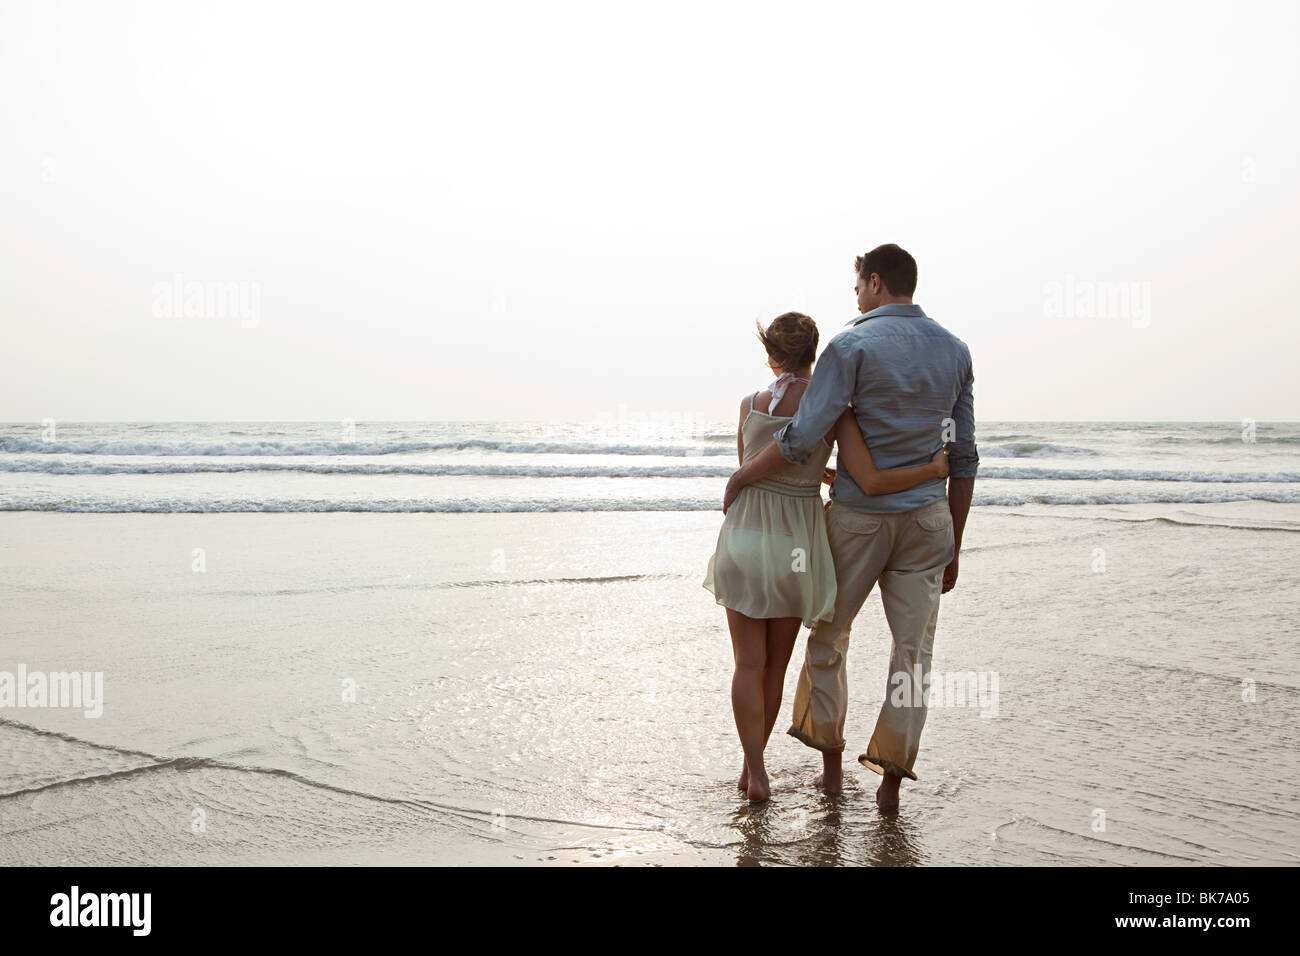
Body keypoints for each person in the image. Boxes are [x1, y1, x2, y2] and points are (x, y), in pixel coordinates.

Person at [723, 245, 979, 811]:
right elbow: (964, 457)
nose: (856, 296)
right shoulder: (956, 350)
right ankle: (889, 784)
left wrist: (742, 479)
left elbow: (800, 437)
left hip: (860, 518)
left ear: (876, 282)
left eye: (858, 285)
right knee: (913, 656)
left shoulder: (851, 343)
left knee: (828, 636)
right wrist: (954, 542)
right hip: (928, 519)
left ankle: (833, 770)